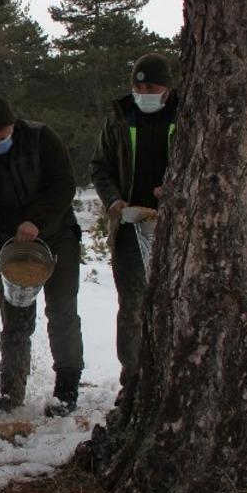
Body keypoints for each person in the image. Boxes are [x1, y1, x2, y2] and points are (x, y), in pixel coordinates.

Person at [0, 95, 84, 417]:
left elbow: (64, 184)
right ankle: (11, 393)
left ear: (13, 124)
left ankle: (66, 390)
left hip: (57, 237)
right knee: (15, 321)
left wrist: (37, 220)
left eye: (2, 133)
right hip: (10, 249)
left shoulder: (41, 138)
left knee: (62, 312)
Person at [90, 52, 179, 392]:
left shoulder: (188, 115)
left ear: (166, 88)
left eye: (151, 85)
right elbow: (99, 166)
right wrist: (113, 200)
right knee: (132, 305)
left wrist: (173, 190)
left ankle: (173, 380)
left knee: (174, 305)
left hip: (176, 228)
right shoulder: (119, 118)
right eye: (137, 85)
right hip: (129, 226)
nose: (143, 91)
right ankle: (133, 382)